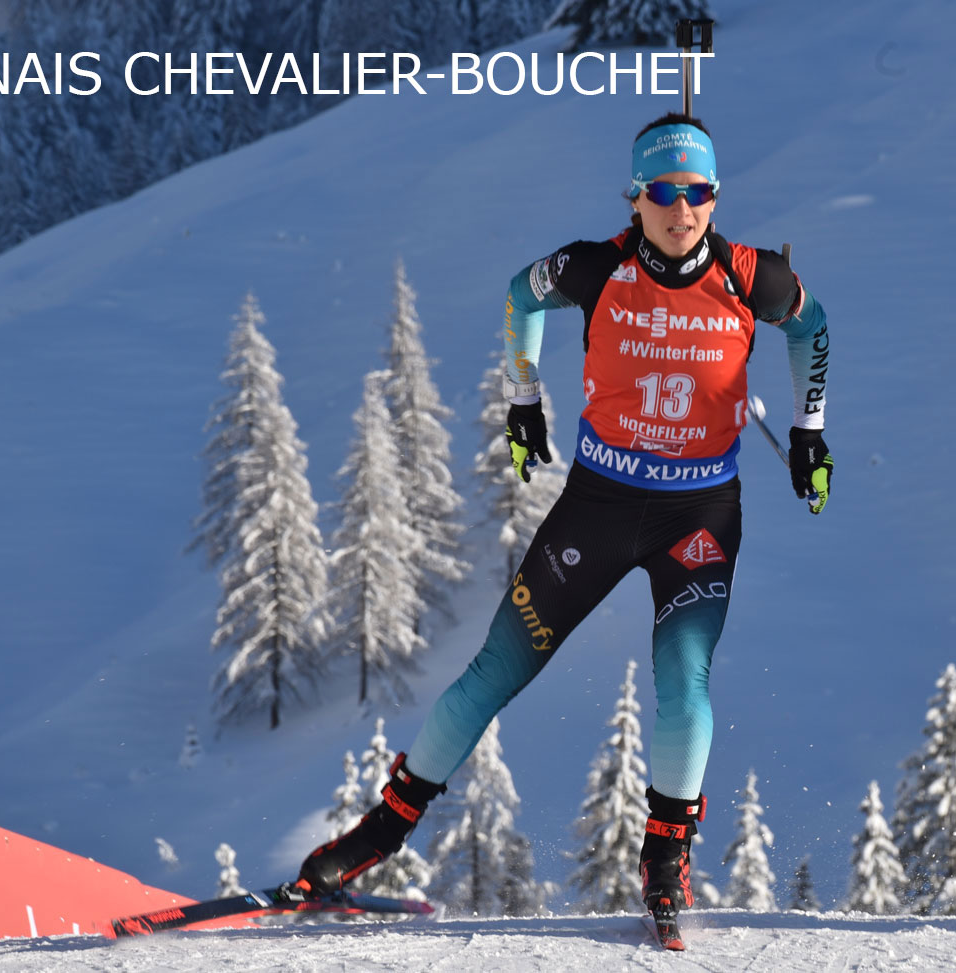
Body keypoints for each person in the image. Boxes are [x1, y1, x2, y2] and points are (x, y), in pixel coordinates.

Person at [290, 113, 833, 920]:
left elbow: (811, 324)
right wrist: (522, 394)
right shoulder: (596, 266)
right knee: (491, 675)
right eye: (663, 191)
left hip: (699, 518)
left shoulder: (752, 276)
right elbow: (520, 294)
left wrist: (808, 429)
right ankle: (373, 838)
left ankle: (665, 860)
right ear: (637, 196)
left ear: (715, 198)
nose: (681, 209)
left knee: (684, 687)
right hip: (598, 508)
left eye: (698, 192)